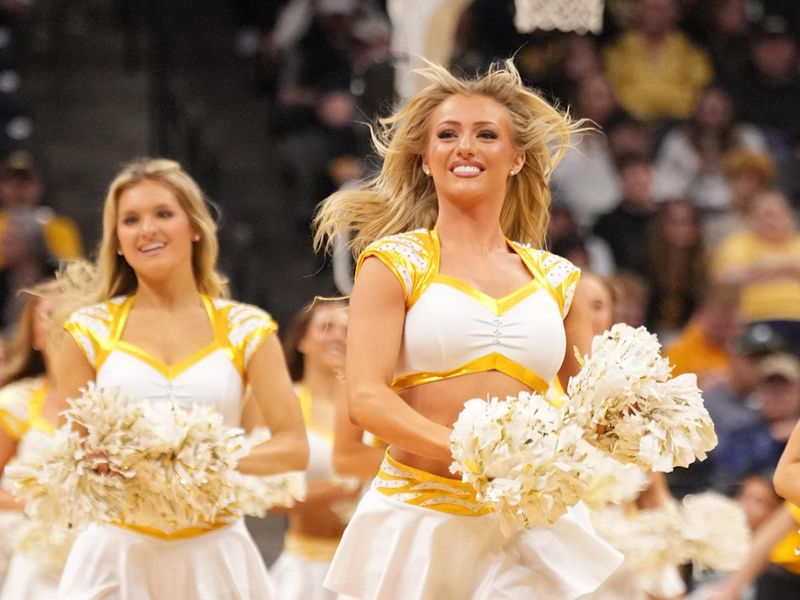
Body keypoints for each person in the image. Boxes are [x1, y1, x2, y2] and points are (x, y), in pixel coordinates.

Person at [314, 60, 622, 599]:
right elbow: (365, 398)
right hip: (419, 516)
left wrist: (643, 412)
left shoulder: (559, 281)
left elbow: (595, 407)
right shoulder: (393, 263)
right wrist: (470, 451)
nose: (465, 147)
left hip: (527, 525)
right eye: (447, 135)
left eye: (486, 134)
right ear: (427, 160)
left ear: (517, 157)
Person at [51, 158, 309, 599]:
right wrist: (98, 462)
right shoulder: (87, 330)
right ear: (117, 241)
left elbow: (293, 447)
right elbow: (71, 450)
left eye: (163, 214)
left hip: (216, 552)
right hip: (117, 554)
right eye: (130, 220)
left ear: (194, 227)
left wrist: (207, 460)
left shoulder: (247, 327)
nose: (147, 229)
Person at [270, 299, 362, 600]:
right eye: (326, 328)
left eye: (348, 330)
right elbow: (266, 499)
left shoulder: (372, 408)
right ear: (301, 341)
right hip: (306, 569)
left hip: (366, 570)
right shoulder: (285, 407)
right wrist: (337, 493)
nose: (339, 336)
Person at [0, 283, 60, 598]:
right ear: (35, 333)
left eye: (75, 315)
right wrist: (31, 506)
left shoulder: (116, 399)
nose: (63, 326)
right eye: (50, 316)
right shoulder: (15, 402)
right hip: (34, 555)